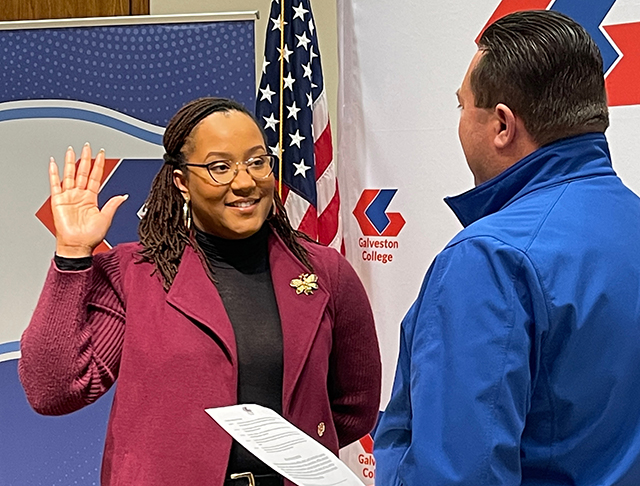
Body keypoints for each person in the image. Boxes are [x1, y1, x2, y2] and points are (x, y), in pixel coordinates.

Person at [374, 10, 640, 486]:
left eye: (463, 108)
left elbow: (458, 476)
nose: (460, 123)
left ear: (502, 124)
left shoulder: (490, 258)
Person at [19, 97, 381, 486]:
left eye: (256, 162)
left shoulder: (325, 272)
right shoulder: (133, 274)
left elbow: (352, 407)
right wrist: (72, 255)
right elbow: (52, 391)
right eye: (219, 168)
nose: (244, 182)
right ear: (181, 182)